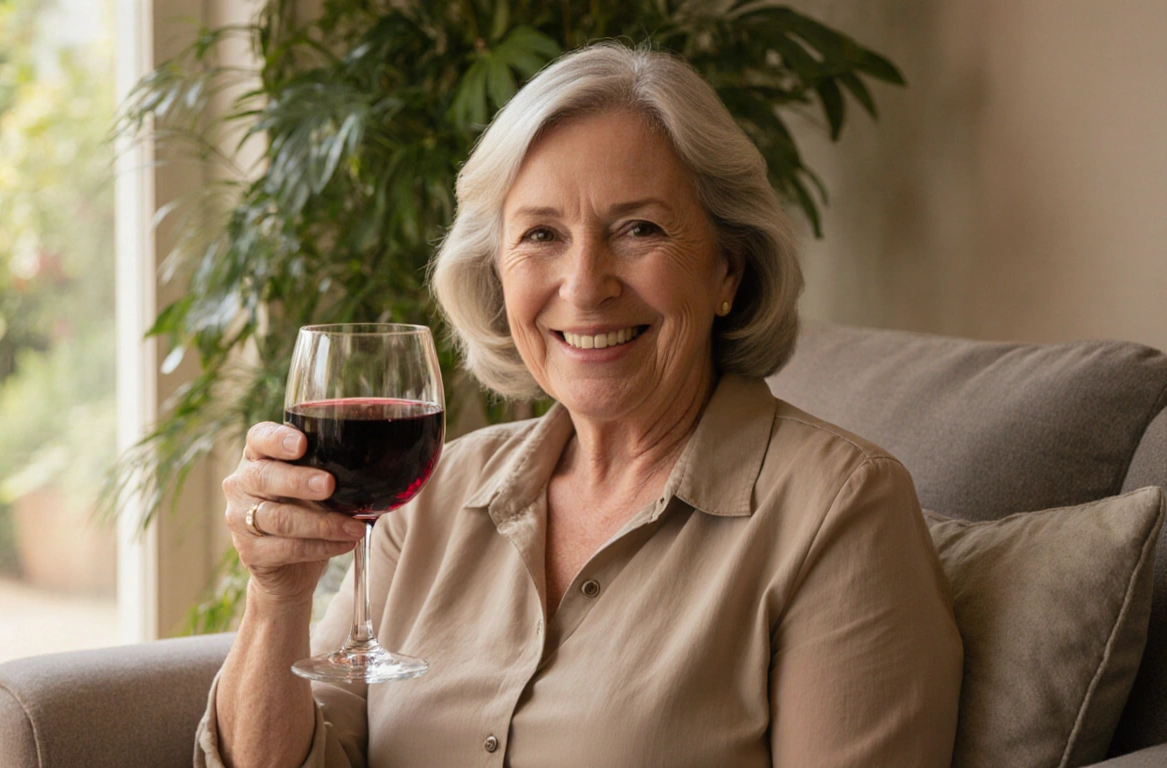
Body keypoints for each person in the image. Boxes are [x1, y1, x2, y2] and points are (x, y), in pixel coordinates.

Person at [199, 43, 962, 768]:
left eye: (639, 229)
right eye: (541, 235)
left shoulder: (839, 512)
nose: (585, 283)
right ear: (497, 273)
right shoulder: (433, 497)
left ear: (728, 269)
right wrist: (279, 593)